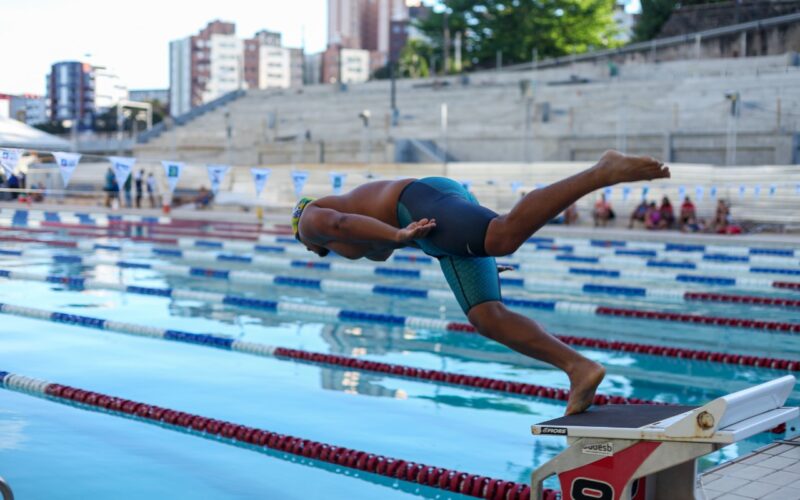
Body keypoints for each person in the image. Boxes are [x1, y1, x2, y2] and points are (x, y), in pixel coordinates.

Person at [293, 150, 670, 415]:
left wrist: (397, 237)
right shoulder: (342, 226)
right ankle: (579, 368)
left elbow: (344, 226)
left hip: (418, 200)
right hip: (427, 222)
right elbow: (372, 241)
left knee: (502, 237)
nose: (311, 251)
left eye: (306, 247)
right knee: (486, 316)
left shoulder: (310, 218)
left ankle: (601, 171)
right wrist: (477, 262)